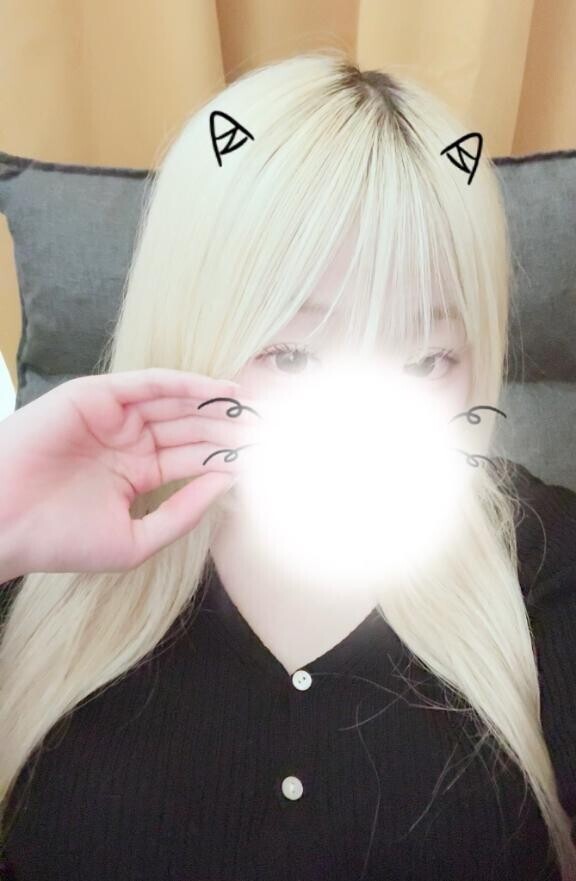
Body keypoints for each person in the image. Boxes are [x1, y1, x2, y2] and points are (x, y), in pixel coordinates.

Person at [1, 50, 575, 881]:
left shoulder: (543, 563)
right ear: (193, 324)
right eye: (294, 355)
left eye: (425, 360)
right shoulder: (40, 559)